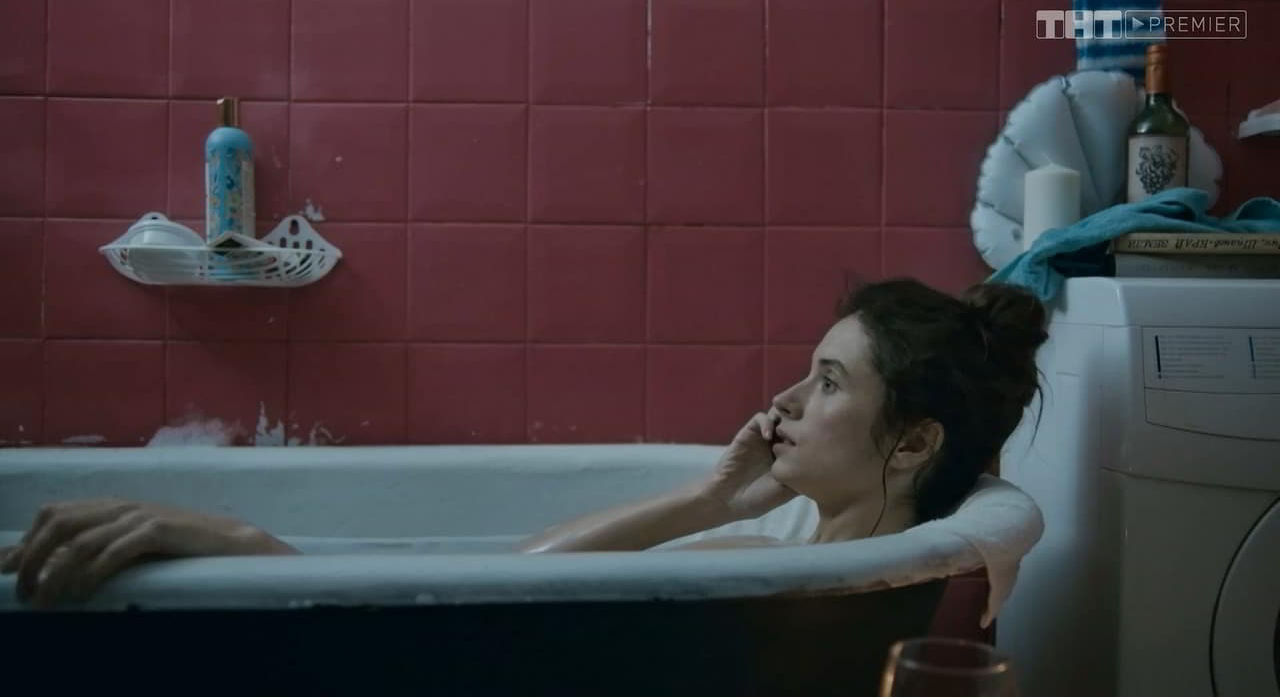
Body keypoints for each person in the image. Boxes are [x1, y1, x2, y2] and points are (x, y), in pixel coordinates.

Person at [0, 278, 1048, 608]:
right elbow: (513, 586)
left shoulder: (811, 590)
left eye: (827, 382)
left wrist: (237, 545)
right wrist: (703, 501)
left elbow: (469, 620)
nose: (783, 398)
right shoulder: (775, 563)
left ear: (912, 443)